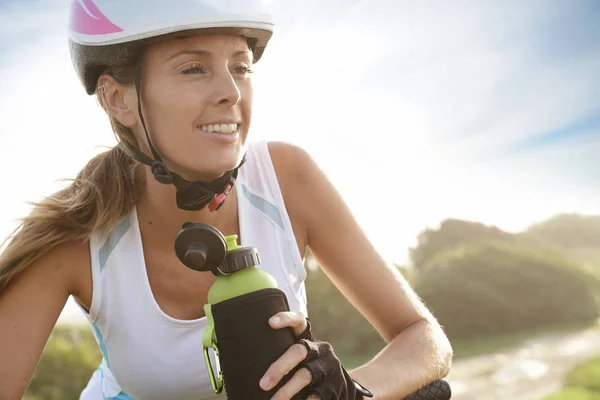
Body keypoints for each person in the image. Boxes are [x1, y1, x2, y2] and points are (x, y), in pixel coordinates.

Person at [0, 1, 453, 399]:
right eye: (193, 68)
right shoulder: (75, 234)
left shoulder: (288, 178)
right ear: (118, 98)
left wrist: (354, 392)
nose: (231, 92)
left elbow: (423, 337)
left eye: (240, 67)